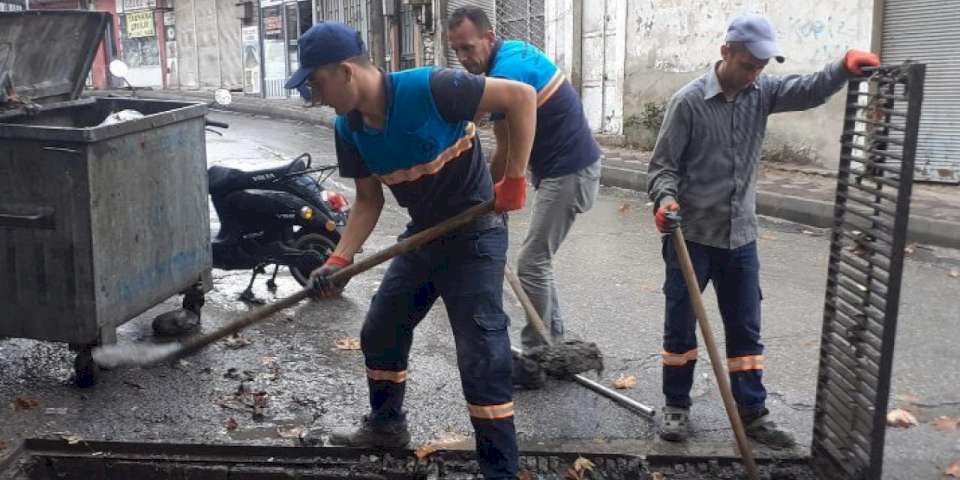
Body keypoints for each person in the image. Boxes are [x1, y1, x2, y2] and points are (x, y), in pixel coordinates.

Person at [283, 21, 537, 479]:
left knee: (480, 351)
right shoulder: (349, 128)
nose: (314, 96)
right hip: (423, 236)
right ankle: (386, 426)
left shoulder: (432, 88)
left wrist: (514, 179)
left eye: (316, 83)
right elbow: (368, 200)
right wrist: (340, 259)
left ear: (345, 71)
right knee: (381, 329)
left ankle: (500, 471)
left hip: (474, 233)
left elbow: (521, 98)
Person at [646, 14, 880, 447]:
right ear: (726, 53)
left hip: (740, 237)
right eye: (749, 64)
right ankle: (676, 406)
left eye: (761, 66)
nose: (756, 73)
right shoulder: (688, 102)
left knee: (746, 328)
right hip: (691, 236)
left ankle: (752, 413)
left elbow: (808, 89)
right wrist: (664, 201)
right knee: (681, 324)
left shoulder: (762, 92)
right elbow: (662, 168)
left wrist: (842, 66)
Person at [447, 6, 602, 349]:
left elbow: (503, 150)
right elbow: (483, 120)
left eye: (468, 48)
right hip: (564, 168)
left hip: (570, 172)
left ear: (488, 38)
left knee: (531, 263)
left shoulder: (508, 71)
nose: (462, 58)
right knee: (538, 260)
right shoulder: (508, 53)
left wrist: (480, 199)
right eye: (456, 50)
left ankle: (537, 351)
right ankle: (554, 340)